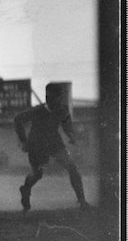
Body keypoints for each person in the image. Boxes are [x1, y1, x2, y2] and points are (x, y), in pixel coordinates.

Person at [14, 83, 90, 211]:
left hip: (54, 143)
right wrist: (24, 141)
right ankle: (25, 189)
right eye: (49, 97)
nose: (51, 100)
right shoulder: (38, 110)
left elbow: (67, 126)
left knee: (72, 169)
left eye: (55, 97)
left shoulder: (63, 110)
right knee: (37, 174)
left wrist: (72, 137)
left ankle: (82, 202)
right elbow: (17, 119)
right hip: (36, 145)